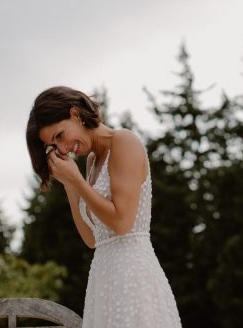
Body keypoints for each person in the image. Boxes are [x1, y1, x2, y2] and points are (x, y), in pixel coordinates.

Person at [26, 85, 182, 328]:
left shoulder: (124, 142)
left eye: (60, 136)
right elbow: (92, 239)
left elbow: (122, 223)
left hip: (133, 279)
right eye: (55, 145)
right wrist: (70, 184)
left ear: (75, 114)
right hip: (103, 280)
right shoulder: (92, 161)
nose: (63, 148)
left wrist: (77, 180)